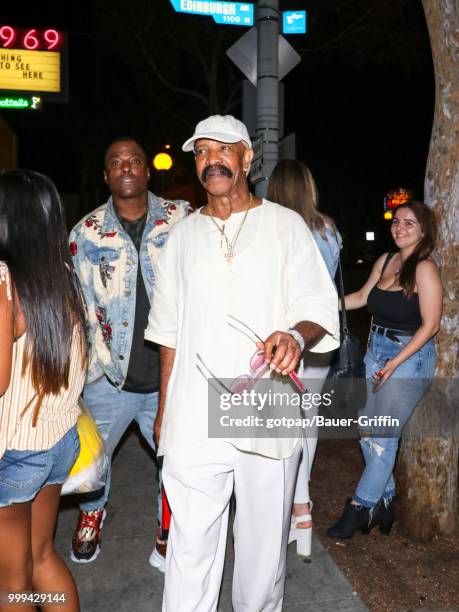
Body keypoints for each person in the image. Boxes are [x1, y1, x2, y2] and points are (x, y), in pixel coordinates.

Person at [145, 115, 339, 611]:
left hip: (266, 405)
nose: (212, 159)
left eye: (223, 149)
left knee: (260, 558)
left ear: (247, 158)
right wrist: (165, 411)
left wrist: (296, 335)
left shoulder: (285, 225)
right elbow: (167, 335)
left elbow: (318, 308)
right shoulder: (179, 239)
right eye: (203, 151)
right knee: (190, 550)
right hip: (194, 409)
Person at [69, 137, 190, 567]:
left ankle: (167, 527)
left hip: (170, 376)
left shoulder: (181, 220)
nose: (126, 167)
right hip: (108, 377)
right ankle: (91, 516)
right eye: (115, 162)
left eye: (134, 160)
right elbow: (77, 311)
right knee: (92, 462)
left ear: (147, 170)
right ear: (106, 175)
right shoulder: (85, 233)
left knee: (174, 463)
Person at [327, 200, 442, 539]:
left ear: (424, 231)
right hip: (375, 351)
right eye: (397, 221)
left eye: (409, 223)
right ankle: (387, 500)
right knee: (366, 430)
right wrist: (321, 305)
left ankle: (360, 507)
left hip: (409, 357)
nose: (400, 227)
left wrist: (396, 361)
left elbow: (432, 325)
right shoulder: (386, 261)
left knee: (383, 435)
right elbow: (362, 297)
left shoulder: (425, 269)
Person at [0, 170, 87, 612]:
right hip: (55, 442)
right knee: (41, 557)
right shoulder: (62, 274)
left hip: (13, 451)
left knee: (9, 582)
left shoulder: (3, 280)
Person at [267, 159, 343, 556]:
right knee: (307, 420)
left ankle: (290, 507)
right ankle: (303, 511)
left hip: (286, 338)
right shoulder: (328, 229)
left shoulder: (273, 228)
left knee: (282, 422)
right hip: (321, 337)